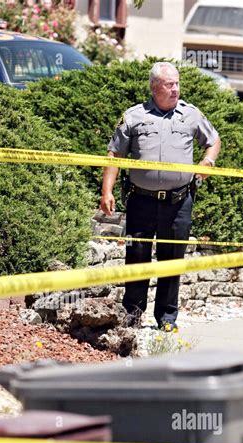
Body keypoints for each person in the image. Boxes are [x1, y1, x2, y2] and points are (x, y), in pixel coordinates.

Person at [101, 61, 221, 331]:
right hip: (141, 201)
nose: (176, 89)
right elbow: (115, 154)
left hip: (178, 202)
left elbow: (213, 140)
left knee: (172, 257)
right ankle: (132, 315)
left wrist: (207, 163)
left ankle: (167, 318)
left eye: (177, 83)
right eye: (169, 84)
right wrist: (106, 190)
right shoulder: (134, 116)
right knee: (137, 256)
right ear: (155, 88)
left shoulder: (191, 115)